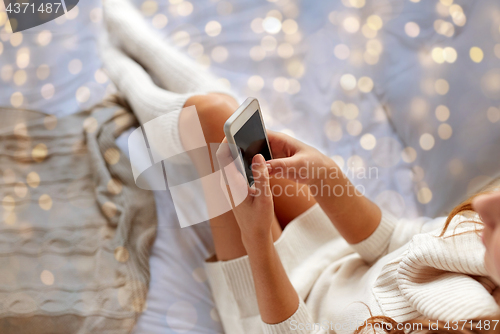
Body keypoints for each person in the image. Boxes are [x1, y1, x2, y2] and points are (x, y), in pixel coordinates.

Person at [101, 1, 500, 333]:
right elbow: (393, 242)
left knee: (209, 122)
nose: (484, 206)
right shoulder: (479, 244)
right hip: (338, 255)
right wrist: (325, 176)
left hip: (276, 311)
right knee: (231, 126)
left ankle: (115, 65)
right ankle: (128, 51)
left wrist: (256, 239)